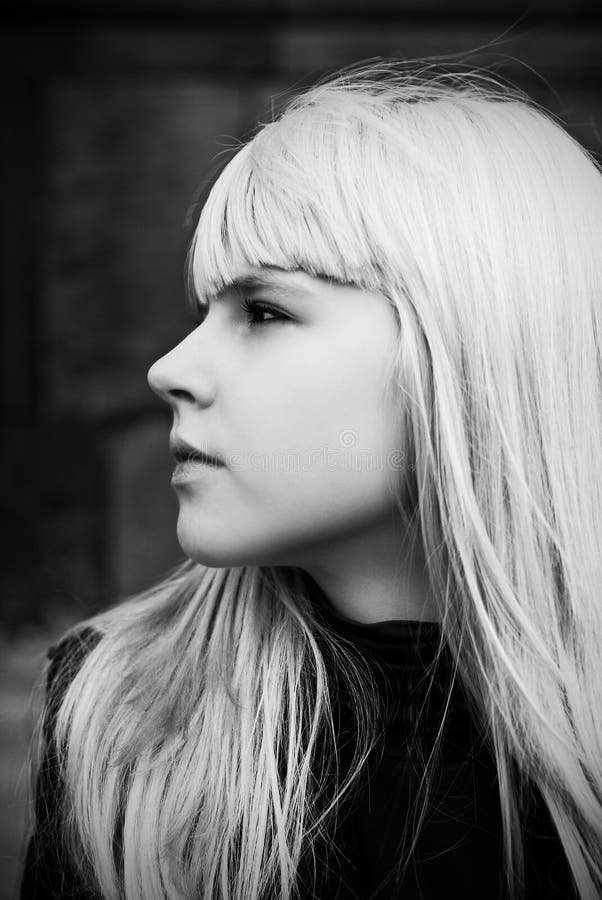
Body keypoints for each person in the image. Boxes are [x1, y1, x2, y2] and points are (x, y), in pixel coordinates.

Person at [20, 57, 602, 900]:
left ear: (475, 351)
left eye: (264, 311)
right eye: (206, 313)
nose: (169, 369)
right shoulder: (120, 722)